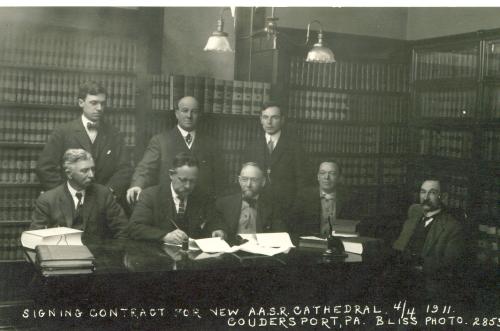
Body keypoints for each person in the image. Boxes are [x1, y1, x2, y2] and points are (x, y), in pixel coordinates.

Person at [36, 81, 132, 205]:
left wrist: (108, 193)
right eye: (94, 103)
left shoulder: (114, 133)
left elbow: (125, 169)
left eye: (102, 104)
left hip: (104, 204)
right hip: (70, 203)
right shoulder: (63, 132)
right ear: (81, 103)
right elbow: (44, 168)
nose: (99, 108)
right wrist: (65, 194)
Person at [126, 96, 222, 205]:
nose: (189, 116)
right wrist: (137, 185)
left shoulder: (211, 144)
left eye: (194, 112)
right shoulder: (160, 141)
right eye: (185, 111)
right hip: (169, 205)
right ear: (177, 113)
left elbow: (220, 180)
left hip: (201, 206)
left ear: (199, 115)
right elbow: (145, 168)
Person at [392, 179, 467, 303]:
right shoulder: (413, 218)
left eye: (432, 193)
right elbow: (398, 247)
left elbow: (449, 265)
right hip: (400, 276)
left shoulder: (452, 227)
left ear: (442, 196)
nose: (425, 197)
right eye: (423, 192)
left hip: (426, 282)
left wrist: (418, 263)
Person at [128, 152, 226, 244]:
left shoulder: (203, 197)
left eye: (192, 181)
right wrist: (165, 236)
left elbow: (216, 219)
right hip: (158, 256)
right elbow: (134, 227)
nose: (188, 186)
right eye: (183, 180)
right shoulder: (151, 195)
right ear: (171, 174)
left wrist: (217, 229)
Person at [31, 149, 128, 240]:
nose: (91, 175)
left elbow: (123, 230)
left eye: (92, 169)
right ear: (69, 174)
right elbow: (36, 237)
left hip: (97, 255)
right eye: (84, 171)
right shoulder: (48, 200)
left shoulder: (103, 194)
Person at [242, 101, 307, 210]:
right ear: (261, 119)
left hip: (286, 207)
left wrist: (295, 206)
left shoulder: (295, 146)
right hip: (258, 206)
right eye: (265, 117)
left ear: (282, 120)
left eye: (274, 118)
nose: (269, 122)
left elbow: (301, 181)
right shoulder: (251, 146)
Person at [216, 162, 287, 241]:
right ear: (239, 180)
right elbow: (218, 228)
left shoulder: (274, 206)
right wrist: (220, 231)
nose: (248, 184)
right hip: (232, 251)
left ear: (263, 182)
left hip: (260, 251)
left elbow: (279, 236)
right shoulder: (224, 203)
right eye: (244, 179)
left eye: (254, 180)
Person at [289, 159, 358, 237]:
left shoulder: (349, 198)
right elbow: (293, 225)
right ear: (318, 177)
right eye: (322, 173)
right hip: (310, 244)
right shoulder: (304, 196)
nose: (326, 177)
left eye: (332, 173)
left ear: (339, 178)